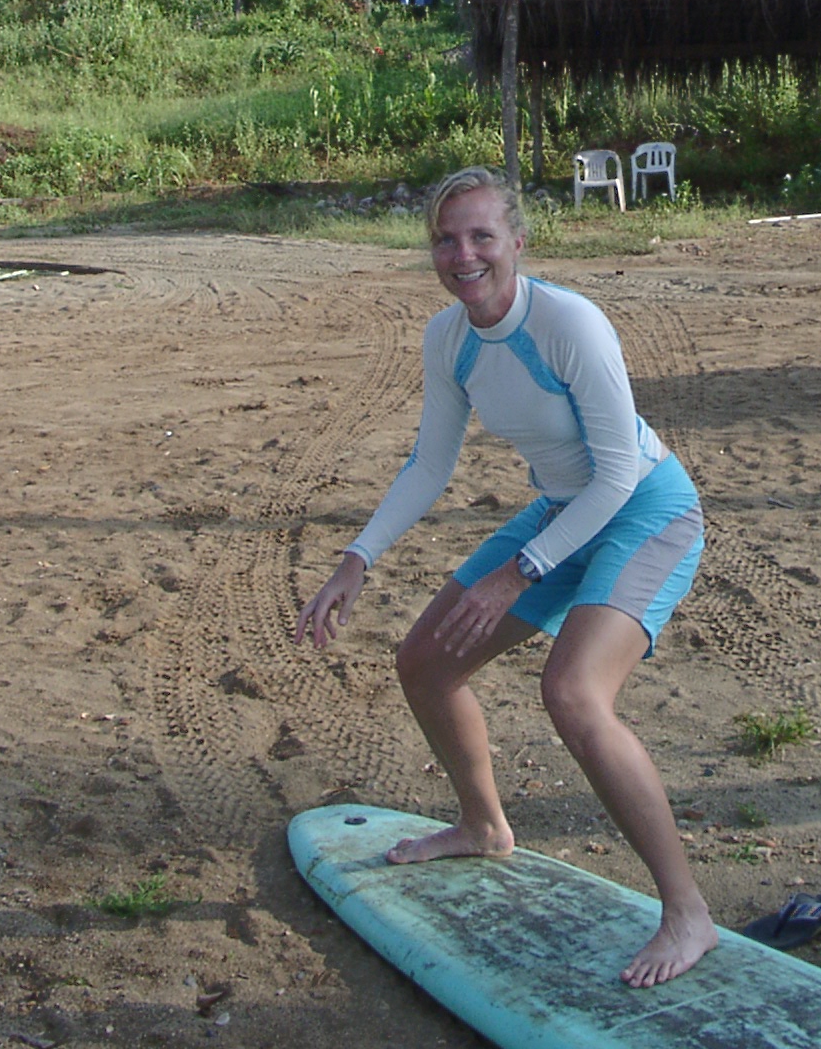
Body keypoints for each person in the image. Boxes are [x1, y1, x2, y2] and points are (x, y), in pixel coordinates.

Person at [295, 166, 718, 988]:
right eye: (447, 240)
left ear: (518, 242)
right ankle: (484, 826)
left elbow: (618, 475)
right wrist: (357, 561)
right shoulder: (448, 339)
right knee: (424, 662)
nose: (464, 255)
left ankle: (687, 913)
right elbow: (430, 463)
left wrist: (521, 574)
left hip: (645, 508)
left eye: (482, 236)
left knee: (573, 694)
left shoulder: (570, 324)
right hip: (562, 509)